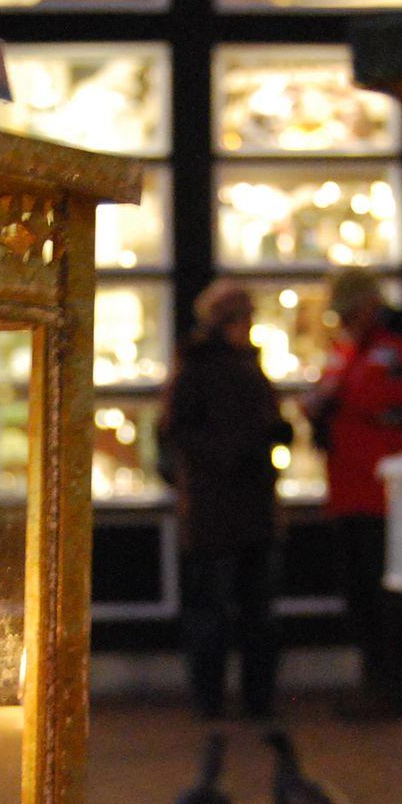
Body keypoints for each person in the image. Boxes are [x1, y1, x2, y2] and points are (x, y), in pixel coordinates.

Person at [158, 280, 293, 721]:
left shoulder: (216, 363)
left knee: (238, 610)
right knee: (230, 610)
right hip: (221, 503)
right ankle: (233, 699)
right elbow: (178, 431)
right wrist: (236, 451)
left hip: (230, 504)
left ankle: (230, 698)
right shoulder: (206, 366)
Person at [306, 270, 402, 720]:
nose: (346, 321)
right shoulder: (349, 349)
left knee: (385, 600)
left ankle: (390, 689)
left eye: (351, 313)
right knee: (361, 598)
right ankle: (376, 683)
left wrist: (340, 402)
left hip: (387, 496)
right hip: (350, 493)